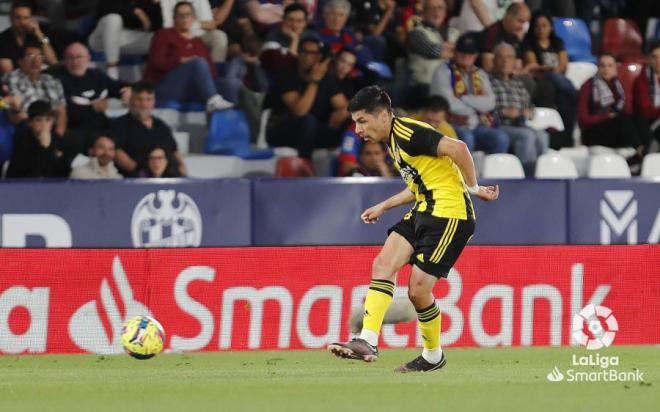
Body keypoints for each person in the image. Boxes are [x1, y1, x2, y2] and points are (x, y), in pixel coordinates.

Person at [328, 85, 499, 372]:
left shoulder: (408, 132)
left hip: (450, 215)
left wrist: (473, 187)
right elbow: (420, 184)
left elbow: (459, 148)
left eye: (362, 121)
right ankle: (367, 339)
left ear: (383, 116)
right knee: (383, 262)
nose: (357, 130)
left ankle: (433, 356)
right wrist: (384, 205)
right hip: (425, 209)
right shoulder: (394, 141)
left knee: (418, 292)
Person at [265, 36, 349, 158]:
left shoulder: (326, 78)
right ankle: (304, 166)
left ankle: (348, 166)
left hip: (312, 133)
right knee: (308, 121)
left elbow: (344, 105)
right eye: (304, 52)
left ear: (319, 57)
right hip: (282, 131)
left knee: (350, 122)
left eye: (313, 53)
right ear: (298, 54)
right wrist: (314, 81)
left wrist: (341, 113)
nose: (308, 57)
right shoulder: (287, 75)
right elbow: (300, 112)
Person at [144, 1, 234, 111]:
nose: (184, 19)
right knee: (197, 63)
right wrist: (181, 61)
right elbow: (156, 62)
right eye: (180, 15)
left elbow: (212, 72)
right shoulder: (163, 35)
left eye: (188, 15)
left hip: (191, 90)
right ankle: (212, 99)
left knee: (231, 84)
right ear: (175, 18)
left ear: (193, 18)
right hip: (164, 87)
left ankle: (232, 121)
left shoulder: (198, 42)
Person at [430, 33, 510, 154]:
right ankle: (467, 173)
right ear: (455, 52)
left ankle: (487, 171)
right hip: (451, 124)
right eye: (463, 52)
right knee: (466, 138)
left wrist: (463, 98)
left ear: (476, 55)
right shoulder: (443, 71)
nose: (466, 56)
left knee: (501, 138)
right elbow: (449, 104)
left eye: (470, 53)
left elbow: (490, 103)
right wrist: (478, 107)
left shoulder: (480, 73)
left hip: (477, 124)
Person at [52, 42, 131, 148]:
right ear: (65, 61)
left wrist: (126, 90)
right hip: (77, 130)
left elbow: (117, 86)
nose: (75, 62)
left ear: (88, 58)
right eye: (70, 58)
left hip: (102, 127)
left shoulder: (96, 75)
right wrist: (92, 108)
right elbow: (64, 112)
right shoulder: (59, 81)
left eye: (79, 57)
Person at [580, 53, 649, 168]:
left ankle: (648, 150)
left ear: (616, 67)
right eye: (602, 66)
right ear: (598, 67)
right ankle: (641, 151)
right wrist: (607, 116)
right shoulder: (588, 86)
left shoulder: (619, 86)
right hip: (594, 132)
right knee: (622, 118)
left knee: (638, 117)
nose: (606, 69)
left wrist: (613, 116)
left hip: (616, 130)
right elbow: (583, 120)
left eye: (610, 66)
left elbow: (627, 110)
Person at [491, 43, 548, 175]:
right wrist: (503, 112)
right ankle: (528, 178)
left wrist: (529, 112)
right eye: (501, 57)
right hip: (498, 125)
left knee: (542, 135)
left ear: (514, 61)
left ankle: (542, 177)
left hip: (519, 124)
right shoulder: (488, 81)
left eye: (509, 57)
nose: (505, 61)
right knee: (527, 135)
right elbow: (484, 110)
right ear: (494, 60)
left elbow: (529, 107)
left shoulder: (519, 84)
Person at [523, 11, 577, 146]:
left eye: (544, 25)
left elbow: (564, 65)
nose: (541, 29)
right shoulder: (529, 43)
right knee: (564, 86)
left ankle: (566, 137)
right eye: (537, 26)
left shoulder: (557, 42)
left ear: (551, 27)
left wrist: (552, 69)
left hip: (556, 78)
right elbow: (534, 65)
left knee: (564, 99)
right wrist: (551, 70)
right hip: (541, 79)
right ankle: (576, 95)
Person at [111, 81, 187, 176]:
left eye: (148, 100)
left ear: (154, 102)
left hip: (165, 179)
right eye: (139, 99)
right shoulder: (120, 125)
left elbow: (173, 150)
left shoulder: (161, 125)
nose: (144, 104)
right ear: (131, 100)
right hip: (133, 179)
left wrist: (181, 167)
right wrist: (140, 172)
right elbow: (117, 153)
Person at [87, 0, 163, 79]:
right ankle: (112, 71)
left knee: (159, 38)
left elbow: (157, 29)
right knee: (114, 19)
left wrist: (156, 5)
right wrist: (137, 12)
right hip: (101, 39)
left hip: (126, 40)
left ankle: (153, 79)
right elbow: (109, 9)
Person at [6, 43, 67, 136]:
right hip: (28, 129)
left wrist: (58, 135)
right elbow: (17, 113)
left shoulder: (51, 80)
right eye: (30, 56)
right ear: (20, 61)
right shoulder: (12, 78)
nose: (35, 61)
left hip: (52, 129)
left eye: (39, 56)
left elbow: (61, 112)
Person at [406, 0, 455, 102]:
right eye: (431, 8)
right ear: (423, 12)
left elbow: (463, 53)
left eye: (440, 8)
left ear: (445, 12)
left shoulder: (454, 32)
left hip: (452, 84)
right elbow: (433, 51)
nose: (436, 12)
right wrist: (451, 50)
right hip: (426, 86)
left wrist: (451, 51)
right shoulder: (416, 33)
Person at [6, 100, 71, 178]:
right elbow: (33, 175)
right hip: (23, 186)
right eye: (38, 120)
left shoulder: (56, 139)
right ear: (30, 122)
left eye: (48, 120)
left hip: (53, 186)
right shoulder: (23, 141)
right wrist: (43, 148)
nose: (44, 125)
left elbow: (65, 173)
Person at [160, 0, 229, 63]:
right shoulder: (166, 1)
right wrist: (190, 23)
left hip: (200, 35)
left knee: (219, 36)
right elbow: (168, 26)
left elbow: (210, 24)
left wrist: (188, 23)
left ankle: (217, 71)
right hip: (177, 36)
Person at [0, 1, 57, 74]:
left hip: (40, 78)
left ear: (31, 19)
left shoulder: (36, 35)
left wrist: (39, 34)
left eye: (26, 18)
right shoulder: (2, 39)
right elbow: (7, 72)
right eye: (18, 18)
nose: (22, 22)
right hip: (16, 81)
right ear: (11, 18)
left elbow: (53, 62)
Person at [478, 2, 530, 73]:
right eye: (520, 21)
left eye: (524, 23)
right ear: (508, 17)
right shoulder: (492, 33)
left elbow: (518, 65)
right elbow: (488, 67)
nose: (521, 27)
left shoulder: (515, 37)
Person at [261, 3, 312, 75]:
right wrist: (294, 40)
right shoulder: (272, 37)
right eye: (291, 20)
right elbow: (284, 69)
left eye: (299, 21)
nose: (294, 25)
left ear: (305, 23)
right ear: (283, 21)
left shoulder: (311, 37)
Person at [633, 40, 660, 145]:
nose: (659, 60)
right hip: (650, 125)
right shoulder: (642, 81)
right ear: (648, 59)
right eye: (654, 57)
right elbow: (646, 111)